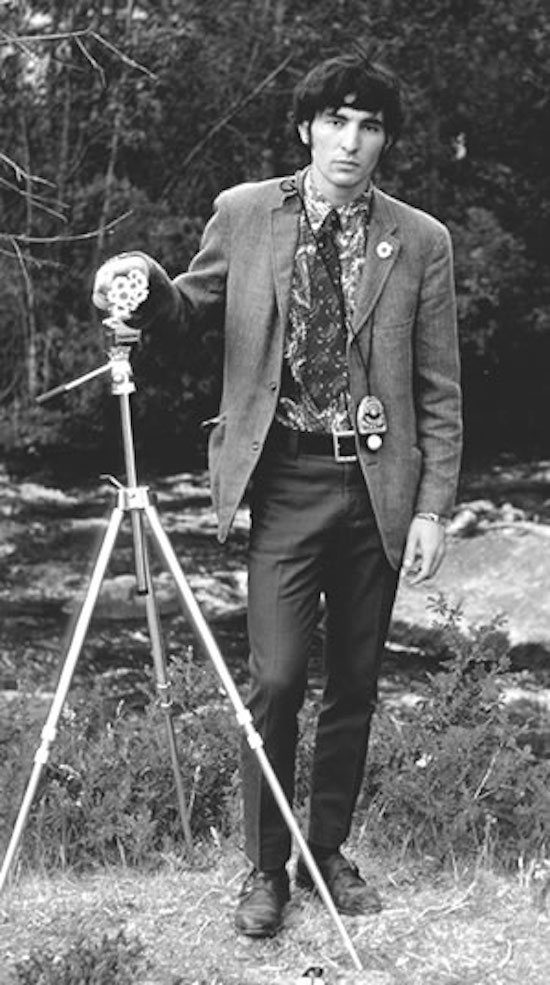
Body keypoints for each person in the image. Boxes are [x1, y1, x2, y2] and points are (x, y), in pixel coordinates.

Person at [93, 52, 462, 938]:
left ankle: (324, 851)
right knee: (279, 678)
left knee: (356, 683)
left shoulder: (421, 240)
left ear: (384, 141)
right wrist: (140, 290)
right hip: (286, 479)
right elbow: (189, 309)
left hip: (378, 481)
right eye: (336, 119)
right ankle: (266, 866)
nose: (352, 140)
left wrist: (434, 507)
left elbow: (441, 388)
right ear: (306, 127)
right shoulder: (245, 213)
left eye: (370, 125)